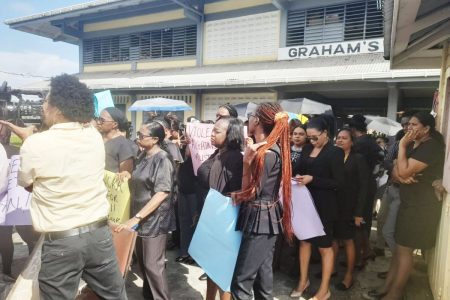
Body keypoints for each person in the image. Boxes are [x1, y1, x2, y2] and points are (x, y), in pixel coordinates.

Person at [2, 74, 126, 299]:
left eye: (46, 101)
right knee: (114, 295)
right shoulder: (93, 136)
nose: (43, 106)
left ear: (57, 109)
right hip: (99, 235)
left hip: (62, 242)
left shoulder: (35, 144)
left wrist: (30, 138)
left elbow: (28, 185)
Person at [364, 112, 445, 300]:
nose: (409, 128)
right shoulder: (415, 145)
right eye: (408, 124)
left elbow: (404, 170)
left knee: (405, 250)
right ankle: (388, 287)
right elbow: (397, 173)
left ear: (426, 129)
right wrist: (400, 171)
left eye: (414, 125)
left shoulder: (430, 147)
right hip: (409, 202)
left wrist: (400, 147)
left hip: (421, 206)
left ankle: (395, 293)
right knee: (400, 249)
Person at [231, 103, 293, 300]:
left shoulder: (265, 153)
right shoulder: (270, 149)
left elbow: (250, 193)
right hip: (266, 218)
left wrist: (246, 163)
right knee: (262, 280)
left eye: (251, 116)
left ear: (257, 121)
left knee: (241, 282)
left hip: (260, 218)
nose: (248, 120)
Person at [116, 121, 176, 300]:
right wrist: (127, 176)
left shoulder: (162, 159)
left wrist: (137, 217)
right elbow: (140, 180)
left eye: (142, 136)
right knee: (143, 266)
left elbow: (162, 193)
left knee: (153, 267)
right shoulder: (143, 155)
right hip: (140, 220)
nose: (138, 138)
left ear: (156, 139)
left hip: (154, 221)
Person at [292, 116, 345, 300]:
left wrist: (313, 179)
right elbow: (298, 168)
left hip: (325, 205)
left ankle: (324, 290)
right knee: (304, 242)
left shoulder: (335, 152)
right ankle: (303, 281)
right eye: (310, 137)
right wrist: (297, 176)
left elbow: (339, 182)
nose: (312, 141)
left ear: (325, 133)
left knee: (324, 248)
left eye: (315, 137)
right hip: (305, 203)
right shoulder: (307, 148)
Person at [195, 117, 244, 300]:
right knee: (210, 266)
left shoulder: (235, 159)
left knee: (224, 273)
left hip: (224, 222)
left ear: (230, 134)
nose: (211, 134)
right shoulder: (218, 153)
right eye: (212, 130)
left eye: (217, 131)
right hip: (211, 218)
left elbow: (234, 193)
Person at [0, 124, 39, 278]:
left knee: (5, 236)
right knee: (27, 236)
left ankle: (7, 270)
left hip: (10, 200)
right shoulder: (18, 152)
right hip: (20, 201)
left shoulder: (7, 151)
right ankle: (30, 267)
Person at [333, 128, 368, 291]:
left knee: (348, 241)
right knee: (333, 239)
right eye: (338, 138)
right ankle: (331, 269)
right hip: (333, 205)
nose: (340, 140)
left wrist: (359, 213)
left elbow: (363, 187)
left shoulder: (358, 158)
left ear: (352, 142)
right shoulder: (333, 156)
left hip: (350, 206)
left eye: (344, 138)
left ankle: (348, 275)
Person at [348, 114, 383, 265]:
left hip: (360, 185)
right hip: (370, 183)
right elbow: (382, 159)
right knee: (365, 219)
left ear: (353, 130)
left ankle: (360, 254)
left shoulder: (359, 143)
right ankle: (365, 251)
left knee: (358, 219)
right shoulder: (372, 141)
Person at [97, 107, 136, 174]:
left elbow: (124, 175)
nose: (98, 122)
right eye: (98, 119)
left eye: (102, 120)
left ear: (114, 124)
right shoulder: (97, 139)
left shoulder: (123, 145)